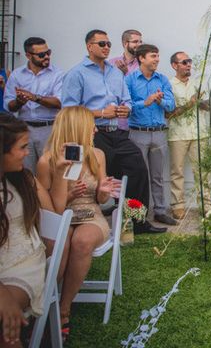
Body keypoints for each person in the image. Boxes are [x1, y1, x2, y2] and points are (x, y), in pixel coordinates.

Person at [61, 30, 165, 234]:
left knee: (137, 168)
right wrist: (100, 112)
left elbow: (125, 99)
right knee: (96, 177)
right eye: (101, 43)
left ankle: (138, 222)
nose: (106, 47)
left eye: (108, 43)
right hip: (91, 134)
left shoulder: (115, 72)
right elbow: (68, 110)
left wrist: (127, 108)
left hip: (117, 132)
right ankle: (88, 222)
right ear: (89, 46)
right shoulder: (76, 74)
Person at [37, 106, 121, 340]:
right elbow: (51, 211)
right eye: (90, 124)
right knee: (62, 243)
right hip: (61, 215)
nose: (95, 128)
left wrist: (103, 192)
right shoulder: (48, 161)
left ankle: (63, 309)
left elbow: (101, 201)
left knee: (82, 240)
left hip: (91, 215)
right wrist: (69, 193)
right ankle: (44, 302)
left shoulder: (97, 155)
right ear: (76, 128)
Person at [0, 114, 54, 347]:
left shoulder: (22, 178)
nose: (27, 152)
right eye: (21, 147)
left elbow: (54, 217)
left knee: (4, 320)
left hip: (21, 263)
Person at [126, 44, 176, 226]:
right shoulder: (129, 80)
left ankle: (160, 212)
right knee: (139, 176)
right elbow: (126, 107)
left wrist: (161, 99)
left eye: (157, 56)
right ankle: (139, 214)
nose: (157, 59)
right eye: (153, 56)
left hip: (159, 133)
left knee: (157, 176)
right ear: (141, 58)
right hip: (138, 133)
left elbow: (171, 105)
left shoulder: (162, 79)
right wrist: (144, 103)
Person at [4, 37, 64, 173]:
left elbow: (59, 102)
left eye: (48, 52)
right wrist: (19, 102)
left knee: (50, 171)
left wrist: (35, 97)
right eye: (42, 55)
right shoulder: (17, 75)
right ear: (28, 55)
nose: (47, 57)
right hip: (24, 128)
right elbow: (9, 105)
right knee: (25, 171)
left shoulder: (57, 74)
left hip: (48, 128)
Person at [167, 51, 211, 220]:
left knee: (203, 171)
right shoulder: (168, 85)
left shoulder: (197, 83)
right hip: (178, 134)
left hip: (200, 133)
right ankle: (177, 205)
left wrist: (201, 102)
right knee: (176, 171)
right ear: (174, 65)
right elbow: (169, 114)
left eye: (189, 62)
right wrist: (190, 103)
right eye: (184, 62)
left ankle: (206, 205)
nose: (188, 65)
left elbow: (208, 106)